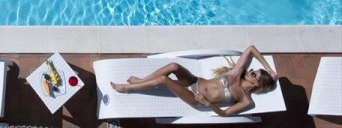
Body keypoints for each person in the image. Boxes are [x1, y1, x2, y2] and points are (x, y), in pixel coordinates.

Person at [110, 45, 278, 117]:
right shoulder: (236, 72)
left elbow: (225, 114)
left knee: (163, 80)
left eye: (254, 74)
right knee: (174, 66)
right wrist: (268, 68)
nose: (251, 71)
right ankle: (141, 81)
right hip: (195, 81)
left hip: (195, 98)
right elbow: (251, 49)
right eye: (253, 70)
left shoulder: (245, 100)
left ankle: (128, 88)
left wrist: (207, 103)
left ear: (258, 84)